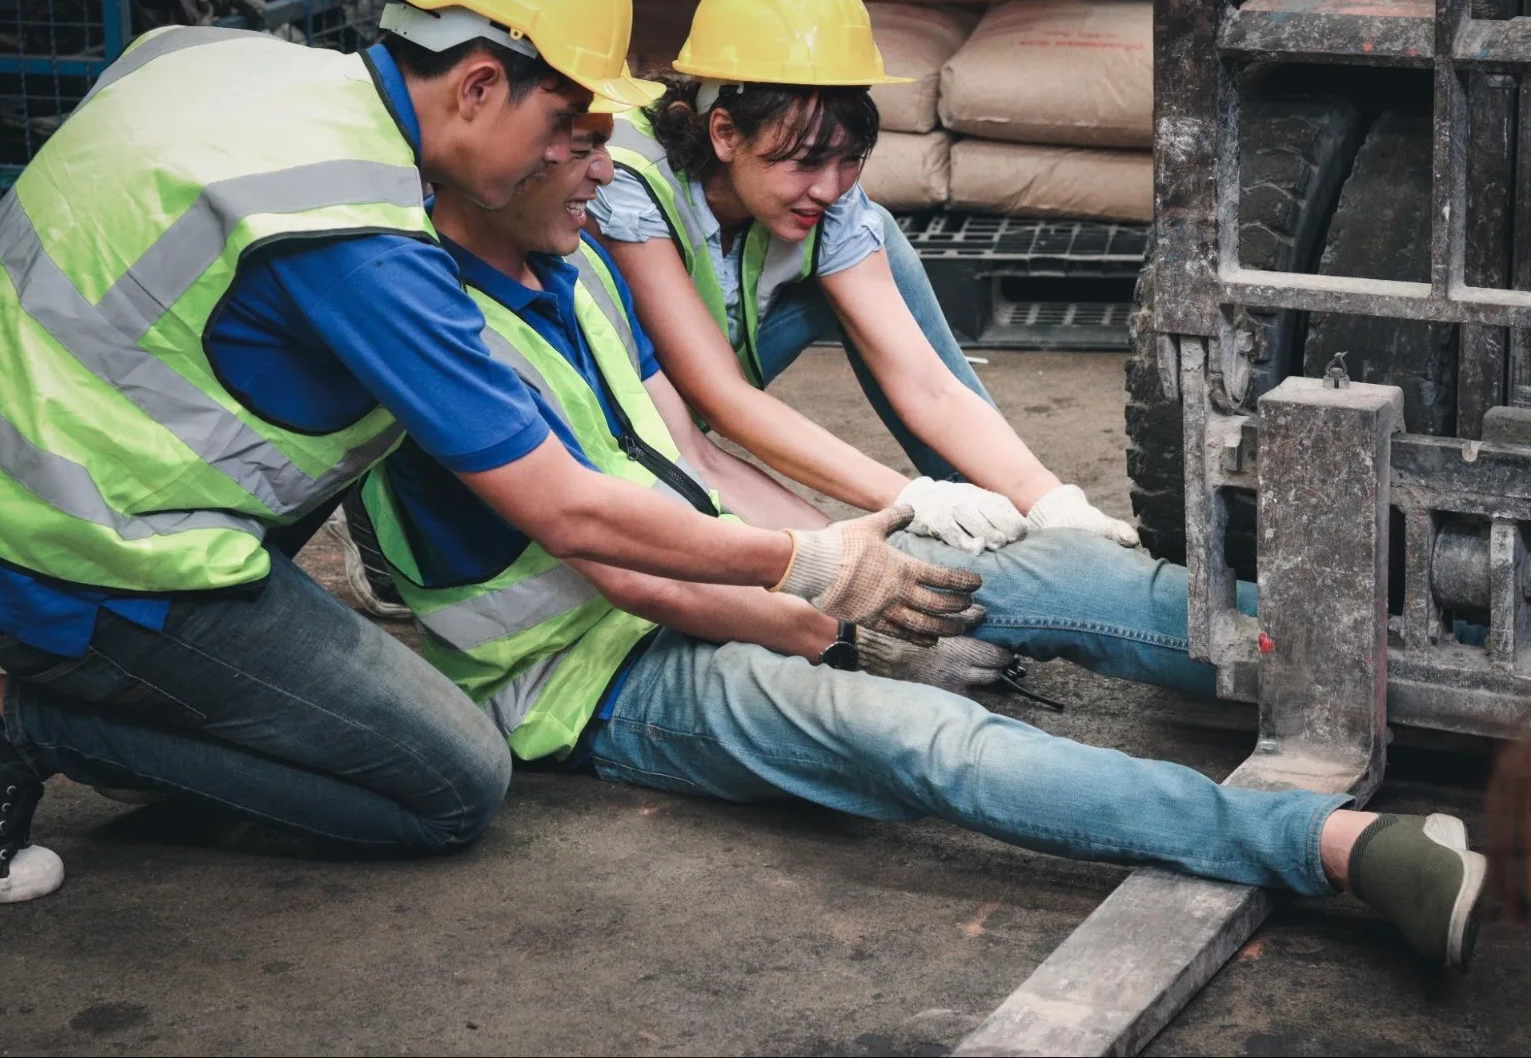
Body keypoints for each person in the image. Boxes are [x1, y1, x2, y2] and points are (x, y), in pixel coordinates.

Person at [361, 113, 1490, 968]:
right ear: (478, 124)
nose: (606, 172)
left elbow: (697, 465)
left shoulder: (570, 270)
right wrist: (823, 613)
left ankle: (1412, 680)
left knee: (1059, 577)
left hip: (727, 568)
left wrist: (866, 540)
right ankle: (1331, 845)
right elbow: (617, 566)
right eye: (574, 141)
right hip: (596, 677)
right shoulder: (428, 329)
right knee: (928, 738)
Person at [0, 0, 981, 905]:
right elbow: (567, 510)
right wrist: (806, 563)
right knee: (447, 782)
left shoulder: (228, 65)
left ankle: (184, 705)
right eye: (568, 129)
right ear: (478, 85)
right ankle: (9, 724)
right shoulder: (363, 242)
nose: (588, 164)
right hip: (67, 552)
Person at [591, 0, 1137, 560]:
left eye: (849, 159)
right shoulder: (629, 180)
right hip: (647, 404)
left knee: (879, 237)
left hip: (718, 370)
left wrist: (1051, 499)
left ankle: (999, 519)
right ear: (724, 133)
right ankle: (958, 509)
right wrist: (907, 499)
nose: (830, 187)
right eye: (804, 162)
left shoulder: (828, 195)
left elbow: (929, 384)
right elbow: (721, 398)